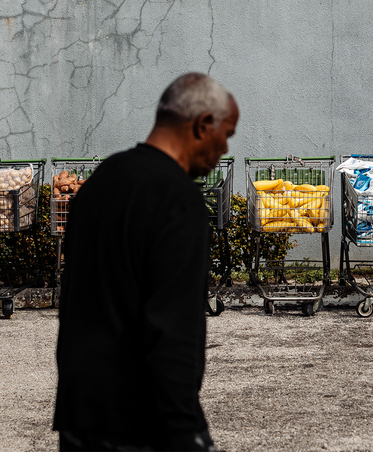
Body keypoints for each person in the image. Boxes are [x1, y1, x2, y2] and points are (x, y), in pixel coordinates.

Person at [53, 73, 239, 451]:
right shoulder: (180, 201)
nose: (224, 148)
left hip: (80, 413)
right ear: (204, 125)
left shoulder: (102, 181)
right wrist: (185, 431)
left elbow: (75, 302)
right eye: (227, 134)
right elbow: (174, 326)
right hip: (142, 422)